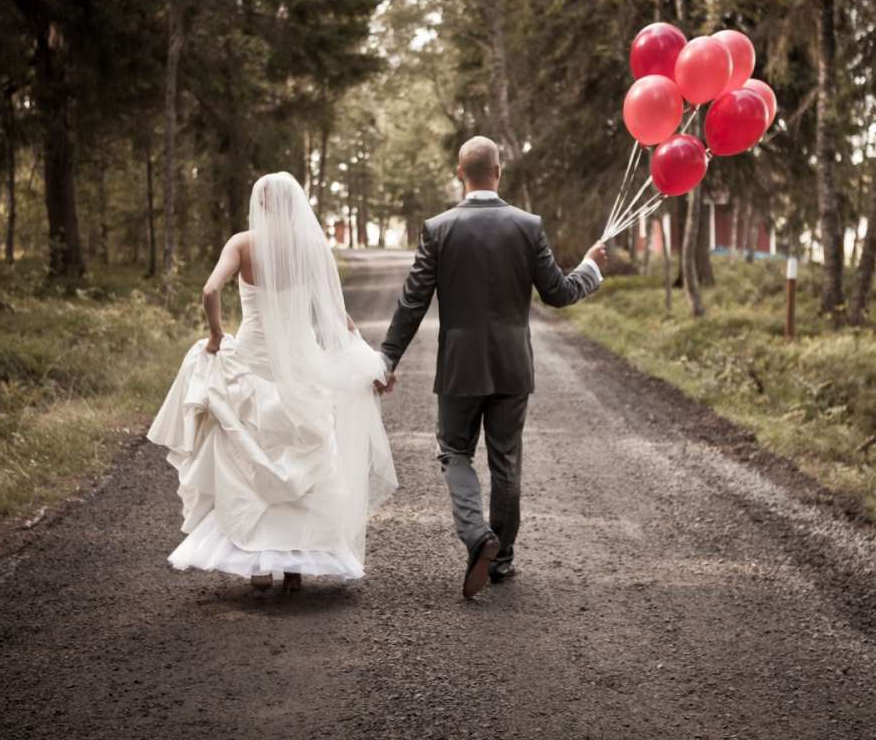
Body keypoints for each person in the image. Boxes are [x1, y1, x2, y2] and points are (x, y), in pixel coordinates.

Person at [377, 136, 607, 599]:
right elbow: (558, 292)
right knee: (506, 459)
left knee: (454, 451)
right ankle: (500, 560)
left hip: (460, 367)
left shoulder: (438, 229)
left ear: (460, 173)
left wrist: (387, 357)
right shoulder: (527, 226)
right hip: (511, 366)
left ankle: (477, 534)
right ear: (498, 172)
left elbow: (412, 302)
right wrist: (589, 268)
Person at [148, 172, 396, 594]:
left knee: (248, 457)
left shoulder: (242, 244)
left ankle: (256, 566)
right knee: (305, 453)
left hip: (253, 358)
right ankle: (296, 564)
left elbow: (211, 290)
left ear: (260, 205)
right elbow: (335, 316)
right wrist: (367, 360)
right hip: (300, 364)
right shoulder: (312, 247)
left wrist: (214, 335)